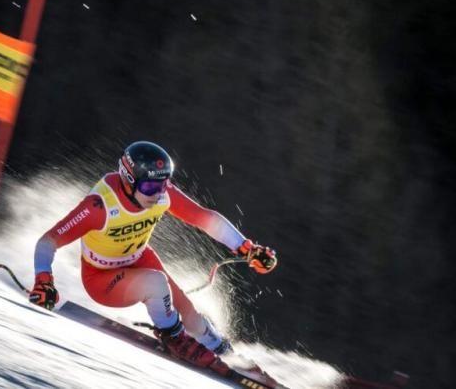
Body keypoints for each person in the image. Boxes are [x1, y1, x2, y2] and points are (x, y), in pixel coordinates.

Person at [29, 141, 277, 372]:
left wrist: (247, 248)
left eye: (163, 185)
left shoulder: (161, 193)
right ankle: (174, 339)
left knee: (193, 318)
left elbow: (205, 218)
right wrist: (44, 280)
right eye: (149, 187)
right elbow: (48, 241)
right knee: (157, 283)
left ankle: (225, 353)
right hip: (102, 278)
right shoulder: (100, 206)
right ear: (128, 179)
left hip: (139, 258)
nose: (157, 194)